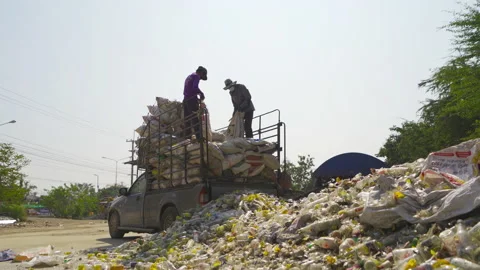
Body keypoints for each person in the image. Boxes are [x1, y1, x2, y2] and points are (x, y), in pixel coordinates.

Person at [183, 66, 208, 139]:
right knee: (195, 118)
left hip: (185, 100)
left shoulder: (190, 76)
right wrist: (201, 93)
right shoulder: (196, 76)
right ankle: (199, 138)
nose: (200, 79)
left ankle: (187, 138)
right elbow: (195, 88)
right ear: (201, 73)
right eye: (201, 77)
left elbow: (190, 89)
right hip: (191, 100)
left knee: (187, 120)